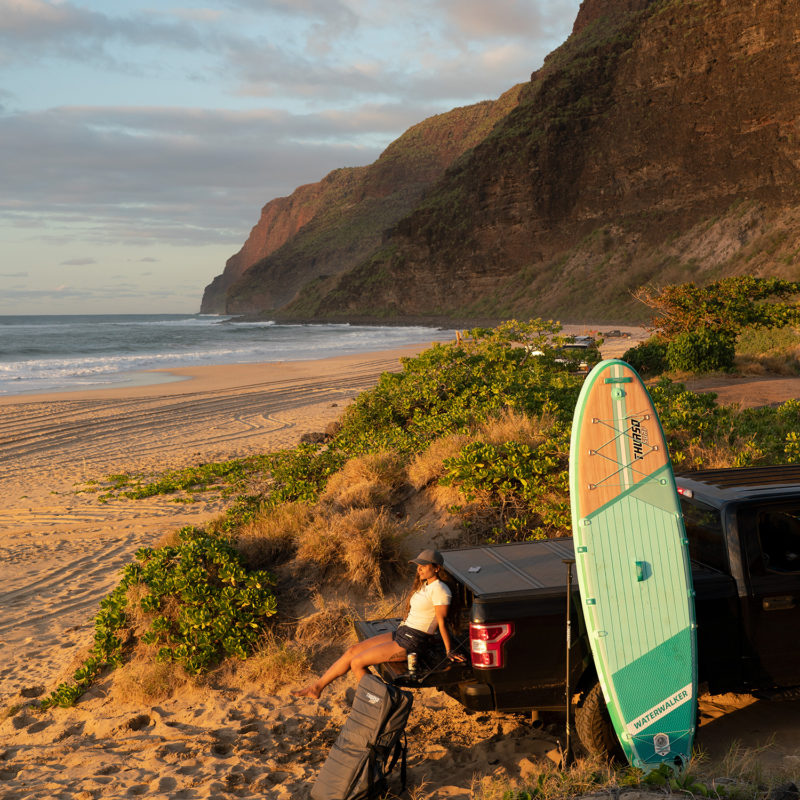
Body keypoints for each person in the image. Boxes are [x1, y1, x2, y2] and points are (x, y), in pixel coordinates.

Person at [293, 548, 464, 699]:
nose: (418, 569)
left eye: (423, 566)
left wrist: (449, 650)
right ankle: (316, 687)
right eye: (418, 565)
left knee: (357, 663)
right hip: (403, 633)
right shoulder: (426, 585)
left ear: (436, 568)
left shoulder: (441, 590)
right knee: (353, 651)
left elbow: (441, 621)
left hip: (412, 642)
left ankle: (377, 701)